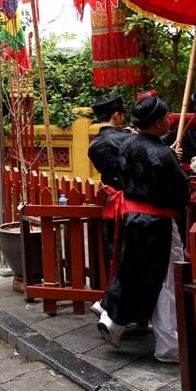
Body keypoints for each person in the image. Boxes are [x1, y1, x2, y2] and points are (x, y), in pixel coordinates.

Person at [97, 94, 189, 363]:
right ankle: (169, 345)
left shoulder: (127, 146)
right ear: (159, 121)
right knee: (168, 281)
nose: (171, 119)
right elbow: (182, 194)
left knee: (132, 271)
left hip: (132, 217)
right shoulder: (163, 154)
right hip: (158, 222)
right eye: (167, 115)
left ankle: (113, 320)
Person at [86, 94, 130, 316]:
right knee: (127, 256)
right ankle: (112, 306)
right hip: (131, 203)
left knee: (113, 254)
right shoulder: (126, 141)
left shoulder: (95, 145)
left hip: (111, 201)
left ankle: (111, 303)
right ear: (117, 115)